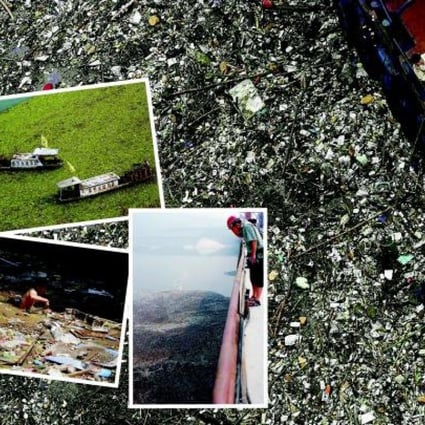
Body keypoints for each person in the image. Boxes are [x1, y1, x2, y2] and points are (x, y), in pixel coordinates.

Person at [227, 215, 264, 307]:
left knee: (258, 278)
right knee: (253, 277)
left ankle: (257, 299)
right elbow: (240, 235)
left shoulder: (247, 226)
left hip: (258, 254)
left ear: (236, 224)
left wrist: (253, 255)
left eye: (233, 228)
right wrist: (233, 230)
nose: (234, 231)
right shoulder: (244, 228)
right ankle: (254, 296)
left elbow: (254, 241)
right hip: (254, 254)